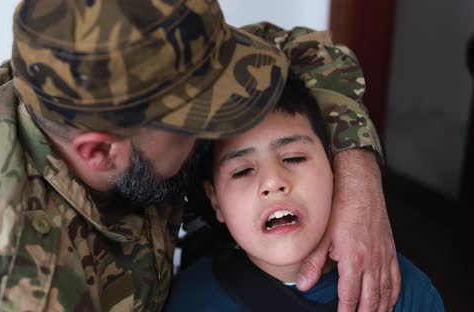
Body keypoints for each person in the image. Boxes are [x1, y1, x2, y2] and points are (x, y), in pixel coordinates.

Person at [0, 0, 396, 311]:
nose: (220, 135)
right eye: (200, 123)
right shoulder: (10, 290)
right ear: (101, 150)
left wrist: (358, 175)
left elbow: (298, 51)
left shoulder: (99, 66)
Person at [165, 76, 444, 311]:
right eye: (242, 171)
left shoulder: (404, 289)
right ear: (215, 200)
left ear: (337, 169)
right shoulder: (189, 299)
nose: (273, 181)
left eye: (294, 158)